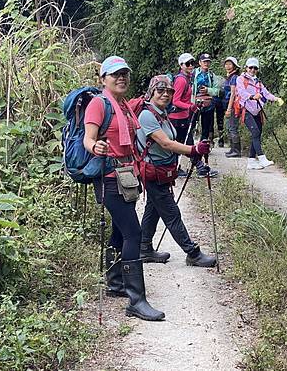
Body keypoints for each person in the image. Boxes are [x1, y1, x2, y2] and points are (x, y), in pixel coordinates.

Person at [83, 56, 165, 321]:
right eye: (115, 74)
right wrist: (95, 147)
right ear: (103, 78)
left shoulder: (124, 106)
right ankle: (136, 300)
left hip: (126, 174)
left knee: (120, 232)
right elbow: (88, 138)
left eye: (125, 74)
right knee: (134, 233)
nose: (121, 78)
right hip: (109, 176)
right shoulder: (99, 104)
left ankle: (116, 283)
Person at [136, 75, 217, 267]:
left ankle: (144, 249)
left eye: (169, 92)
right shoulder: (147, 115)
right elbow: (165, 142)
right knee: (172, 214)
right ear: (151, 92)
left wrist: (192, 153)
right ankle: (192, 253)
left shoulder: (162, 113)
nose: (165, 94)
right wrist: (192, 150)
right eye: (160, 91)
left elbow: (171, 141)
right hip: (153, 173)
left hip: (162, 171)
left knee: (153, 210)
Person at [170, 53, 218, 178]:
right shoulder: (181, 80)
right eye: (187, 64)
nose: (190, 66)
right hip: (178, 118)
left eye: (192, 63)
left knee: (182, 143)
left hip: (182, 116)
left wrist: (192, 105)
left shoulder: (188, 78)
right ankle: (199, 168)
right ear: (181, 65)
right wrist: (190, 107)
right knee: (187, 143)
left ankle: (178, 168)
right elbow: (176, 100)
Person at [235, 57, 284, 170]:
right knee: (255, 132)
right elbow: (241, 92)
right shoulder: (240, 79)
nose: (252, 70)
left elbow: (266, 94)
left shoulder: (258, 82)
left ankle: (251, 161)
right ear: (246, 68)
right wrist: (252, 96)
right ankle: (262, 158)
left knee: (257, 134)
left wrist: (276, 99)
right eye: (250, 67)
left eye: (255, 68)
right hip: (246, 110)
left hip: (257, 111)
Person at [222, 56, 242, 158]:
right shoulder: (229, 76)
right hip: (228, 105)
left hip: (233, 105)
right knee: (229, 127)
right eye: (226, 64)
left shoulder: (234, 77)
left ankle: (237, 150)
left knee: (233, 127)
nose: (228, 66)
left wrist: (229, 109)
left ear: (234, 66)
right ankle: (232, 149)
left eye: (230, 64)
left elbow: (233, 94)